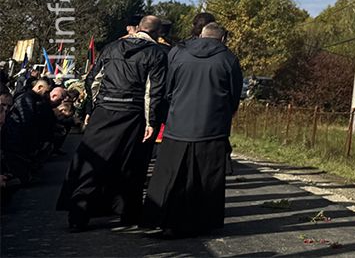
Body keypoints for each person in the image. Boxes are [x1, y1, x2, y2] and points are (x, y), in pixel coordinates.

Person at [57, 15, 168, 231]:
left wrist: (94, 108)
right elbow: (153, 91)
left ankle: (78, 213)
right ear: (157, 33)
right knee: (131, 164)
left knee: (92, 161)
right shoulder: (156, 53)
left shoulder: (112, 47)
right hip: (133, 113)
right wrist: (151, 121)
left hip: (106, 109)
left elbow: (93, 79)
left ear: (138, 28)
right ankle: (128, 212)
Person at [142, 22, 242, 237]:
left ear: (201, 35)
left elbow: (168, 87)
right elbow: (234, 94)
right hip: (211, 127)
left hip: (178, 123)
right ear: (222, 39)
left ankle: (160, 216)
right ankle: (201, 221)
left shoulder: (178, 53)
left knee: (170, 175)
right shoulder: (229, 59)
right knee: (205, 179)